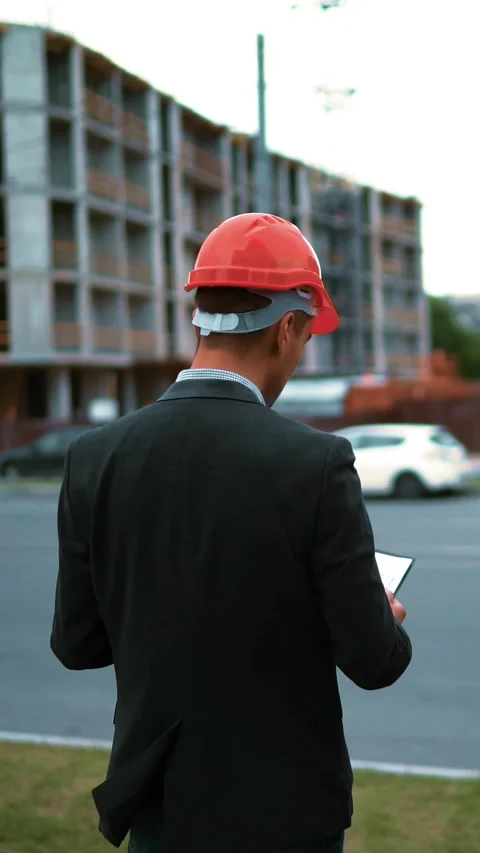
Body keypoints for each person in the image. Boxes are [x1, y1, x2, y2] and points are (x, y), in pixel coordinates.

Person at [51, 213, 412, 853]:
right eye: (304, 339)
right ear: (288, 328)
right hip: (286, 814)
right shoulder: (316, 463)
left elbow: (78, 643)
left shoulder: (94, 456)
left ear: (201, 320)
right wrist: (381, 616)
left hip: (159, 801)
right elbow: (374, 660)